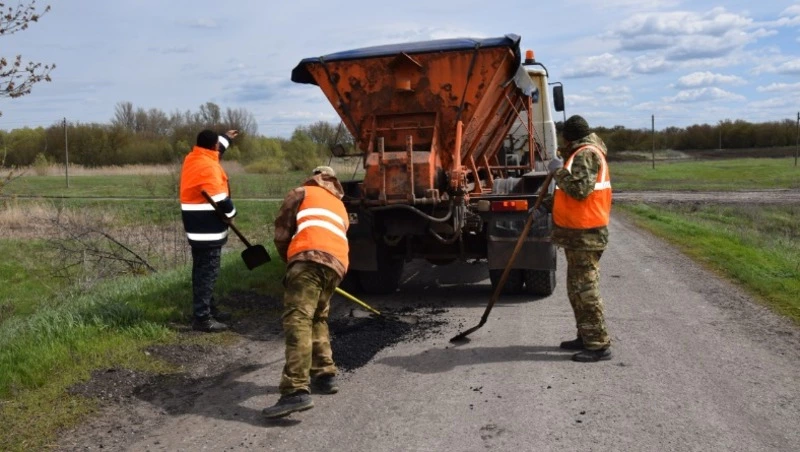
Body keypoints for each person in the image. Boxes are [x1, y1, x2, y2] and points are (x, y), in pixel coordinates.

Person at [262, 165, 350, 419]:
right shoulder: (339, 206)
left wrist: (289, 261)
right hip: (337, 266)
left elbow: (282, 232)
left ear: (314, 178)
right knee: (318, 317)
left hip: (308, 260)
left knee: (298, 320)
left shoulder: (301, 192)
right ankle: (325, 375)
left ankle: (295, 391)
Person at [534, 115, 613, 362]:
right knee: (576, 290)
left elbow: (579, 190)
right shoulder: (579, 153)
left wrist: (557, 171)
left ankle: (598, 344)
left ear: (570, 136)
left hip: (586, 235)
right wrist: (545, 205)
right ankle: (586, 335)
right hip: (577, 234)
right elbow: (569, 196)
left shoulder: (586, 154)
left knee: (585, 290)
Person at [179, 129, 239, 333]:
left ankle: (208, 309)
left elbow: (217, 150)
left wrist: (227, 138)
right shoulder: (209, 168)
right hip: (208, 229)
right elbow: (221, 200)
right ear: (212, 146)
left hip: (196, 227)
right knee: (208, 272)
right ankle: (203, 318)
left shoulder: (193, 158)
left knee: (202, 271)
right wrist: (232, 213)